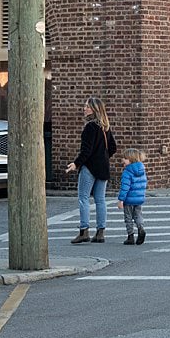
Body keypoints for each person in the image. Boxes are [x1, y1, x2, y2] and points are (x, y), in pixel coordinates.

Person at [66, 97, 117, 244]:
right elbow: (113, 148)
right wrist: (103, 157)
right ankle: (100, 232)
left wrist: (76, 164)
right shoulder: (105, 127)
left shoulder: (90, 127)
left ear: (94, 110)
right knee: (100, 200)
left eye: (87, 106)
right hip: (103, 167)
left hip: (89, 168)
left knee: (83, 199)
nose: (84, 108)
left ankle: (84, 231)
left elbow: (86, 151)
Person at [117, 148, 148, 245]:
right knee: (138, 215)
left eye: (125, 158)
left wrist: (121, 200)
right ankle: (141, 228)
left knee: (128, 217)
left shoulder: (127, 172)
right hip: (139, 199)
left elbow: (125, 188)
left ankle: (130, 236)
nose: (123, 160)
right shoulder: (142, 170)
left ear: (131, 159)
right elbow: (143, 184)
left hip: (129, 199)